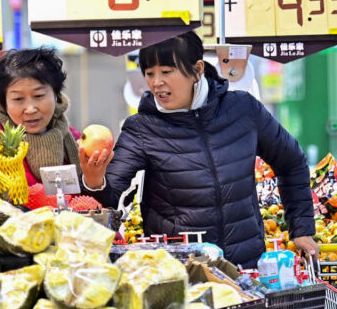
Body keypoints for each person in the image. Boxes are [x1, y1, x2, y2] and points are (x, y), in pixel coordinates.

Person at [80, 32, 317, 268]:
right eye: (149, 73)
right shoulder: (142, 128)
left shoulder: (243, 110)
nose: (156, 82)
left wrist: (302, 228)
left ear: (197, 69)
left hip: (246, 267)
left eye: (166, 71)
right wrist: (94, 183)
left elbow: (292, 162)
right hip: (181, 273)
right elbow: (112, 195)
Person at [0, 48, 89, 185]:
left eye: (39, 96)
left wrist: (95, 181)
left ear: (56, 95)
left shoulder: (71, 136)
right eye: (18, 99)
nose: (30, 109)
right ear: (3, 102)